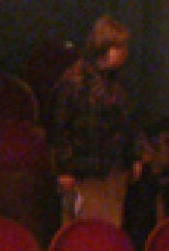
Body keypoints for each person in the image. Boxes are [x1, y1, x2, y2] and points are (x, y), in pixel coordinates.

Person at [49, 15, 145, 226]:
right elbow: (60, 129)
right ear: (104, 47)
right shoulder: (74, 82)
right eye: (119, 47)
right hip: (85, 170)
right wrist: (65, 169)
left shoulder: (119, 82)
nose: (124, 53)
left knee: (110, 229)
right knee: (84, 230)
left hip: (113, 168)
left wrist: (135, 155)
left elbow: (130, 121)